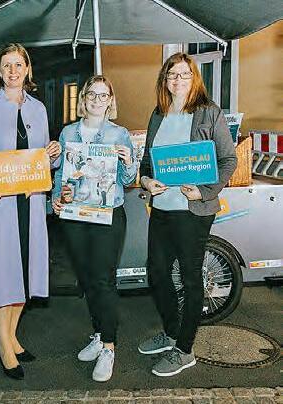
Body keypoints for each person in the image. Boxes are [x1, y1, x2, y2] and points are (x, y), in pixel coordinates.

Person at [0, 43, 61, 381]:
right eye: (7, 65)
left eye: (19, 64)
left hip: (29, 205)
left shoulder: (38, 109)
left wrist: (54, 154)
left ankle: (12, 336)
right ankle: (4, 344)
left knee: (24, 274)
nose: (13, 71)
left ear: (28, 69)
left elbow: (43, 163)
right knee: (1, 276)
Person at [138, 53, 237, 377]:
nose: (178, 80)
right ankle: (171, 333)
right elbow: (147, 163)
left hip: (193, 210)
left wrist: (204, 191)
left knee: (190, 277)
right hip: (162, 208)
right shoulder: (158, 114)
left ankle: (184, 350)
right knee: (157, 272)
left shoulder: (210, 112)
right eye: (172, 75)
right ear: (164, 81)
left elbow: (228, 160)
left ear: (194, 78)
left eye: (184, 74)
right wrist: (146, 181)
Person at [52, 75, 137, 382]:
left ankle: (109, 347)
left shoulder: (119, 133)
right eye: (92, 94)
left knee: (103, 280)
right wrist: (56, 199)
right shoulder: (68, 132)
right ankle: (100, 334)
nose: (97, 100)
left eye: (104, 96)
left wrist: (128, 161)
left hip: (107, 215)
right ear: (83, 98)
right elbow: (61, 174)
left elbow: (128, 180)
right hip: (76, 215)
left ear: (110, 100)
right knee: (87, 279)